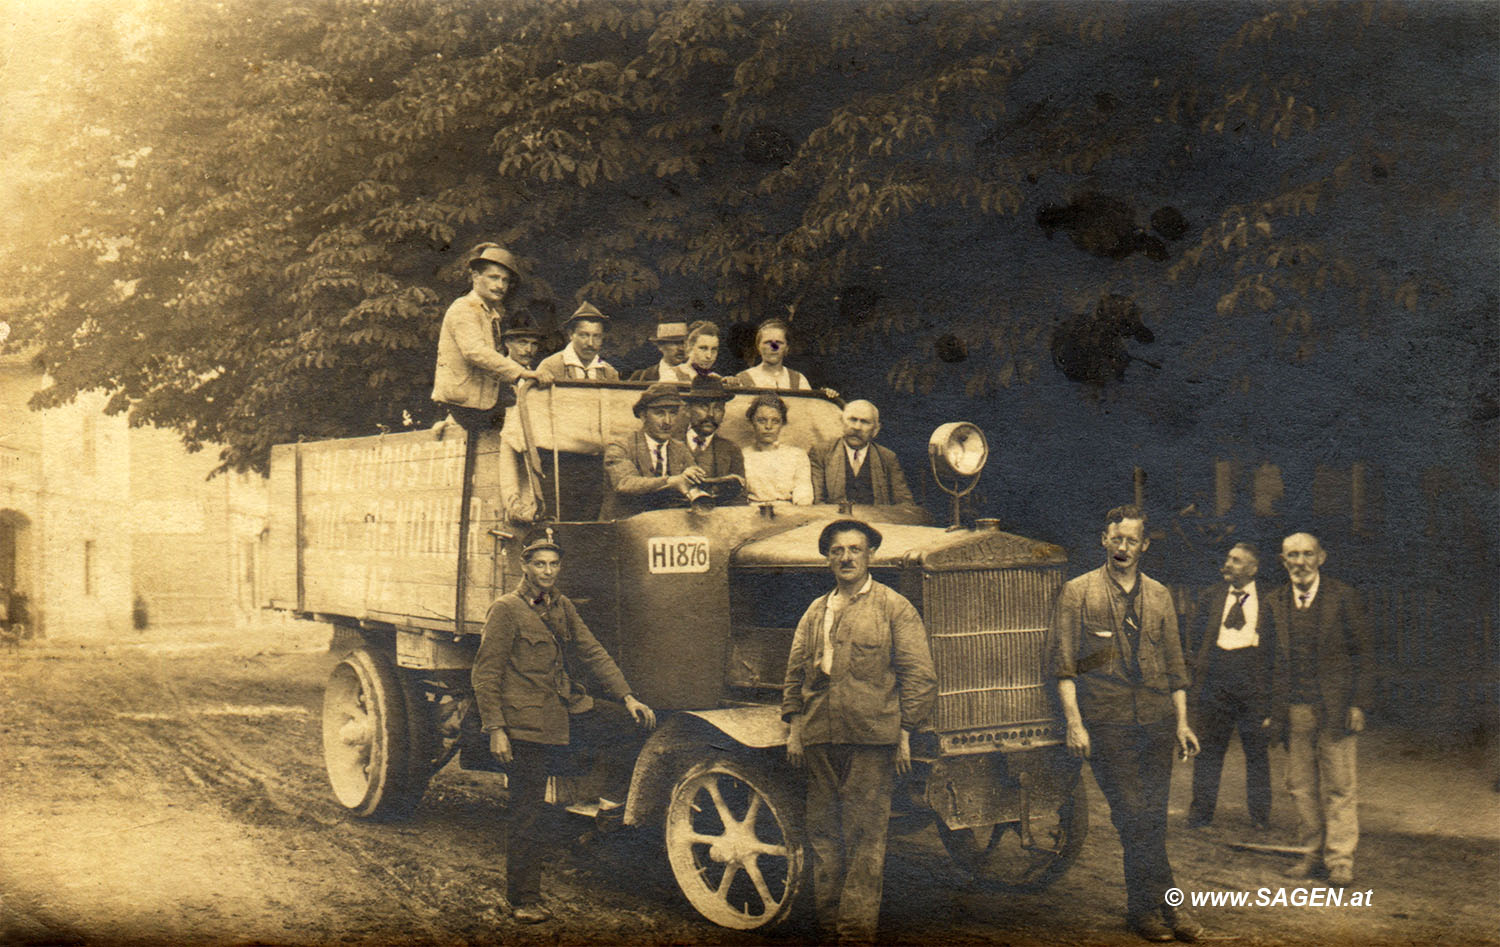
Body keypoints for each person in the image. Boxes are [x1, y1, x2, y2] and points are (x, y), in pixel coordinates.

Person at [470, 527, 657, 924]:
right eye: (540, 564)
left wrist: (627, 696)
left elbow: (593, 651)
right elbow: (485, 674)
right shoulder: (506, 609)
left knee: (630, 725)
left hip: (564, 708)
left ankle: (607, 813)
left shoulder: (562, 605)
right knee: (528, 812)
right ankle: (523, 899)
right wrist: (496, 729)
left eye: (554, 564)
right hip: (525, 725)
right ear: (524, 565)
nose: (547, 571)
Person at [1047, 505, 1202, 943]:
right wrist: (1075, 725)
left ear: (1144, 545)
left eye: (1131, 540)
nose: (1123, 548)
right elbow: (1064, 667)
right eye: (1116, 539)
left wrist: (1183, 723)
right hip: (1107, 722)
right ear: (1104, 540)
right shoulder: (1077, 593)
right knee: (1133, 814)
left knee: (1151, 817)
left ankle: (1151, 910)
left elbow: (1176, 667)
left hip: (1155, 720)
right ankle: (1164, 908)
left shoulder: (1160, 596)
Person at [782, 519, 937, 944]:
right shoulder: (816, 610)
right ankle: (829, 925)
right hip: (819, 737)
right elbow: (796, 674)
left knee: (865, 839)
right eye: (838, 550)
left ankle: (854, 934)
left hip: (872, 738)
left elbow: (918, 675)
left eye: (855, 549)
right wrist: (795, 729)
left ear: (870, 556)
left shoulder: (893, 607)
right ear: (827, 558)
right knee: (825, 836)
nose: (847, 557)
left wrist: (906, 731)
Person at [1267, 532, 1372, 887]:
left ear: (1321, 557)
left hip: (1336, 709)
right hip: (1293, 710)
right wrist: (1270, 711)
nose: (1300, 562)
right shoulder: (1274, 602)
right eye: (1292, 555)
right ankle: (1310, 855)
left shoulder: (1344, 598)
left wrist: (1358, 703)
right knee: (1300, 787)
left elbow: (1365, 655)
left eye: (1307, 554)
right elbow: (1265, 662)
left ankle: (1340, 861)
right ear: (1283, 562)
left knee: (1340, 786)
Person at [1187, 542, 1274, 832]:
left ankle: (1260, 817)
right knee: (1209, 750)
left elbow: (1276, 648)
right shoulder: (1211, 597)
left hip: (1253, 683)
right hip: (1217, 681)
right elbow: (1195, 639)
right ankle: (1200, 816)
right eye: (1228, 559)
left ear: (1253, 568)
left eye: (1236, 561)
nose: (1228, 564)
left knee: (1257, 752)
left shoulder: (1270, 600)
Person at [431, 243, 548, 432]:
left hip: (482, 402)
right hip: (466, 404)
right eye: (493, 277)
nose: (500, 285)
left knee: (534, 416)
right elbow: (475, 352)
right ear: (476, 276)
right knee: (524, 426)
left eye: (505, 280)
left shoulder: (490, 314)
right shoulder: (464, 308)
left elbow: (492, 364)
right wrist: (520, 372)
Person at [600, 383, 704, 519]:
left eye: (673, 413)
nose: (668, 421)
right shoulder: (620, 447)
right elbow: (625, 483)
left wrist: (695, 477)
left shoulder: (680, 449)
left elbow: (692, 483)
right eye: (659, 413)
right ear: (643, 416)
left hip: (665, 528)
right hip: (623, 529)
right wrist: (670, 481)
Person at [808, 400, 914, 506]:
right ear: (841, 422)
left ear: (876, 429)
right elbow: (817, 501)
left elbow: (905, 503)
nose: (857, 427)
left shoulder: (887, 458)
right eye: (852, 420)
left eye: (865, 422)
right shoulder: (821, 453)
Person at [732, 318, 839, 398]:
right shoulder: (743, 379)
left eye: (779, 342)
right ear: (758, 347)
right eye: (767, 342)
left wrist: (827, 395)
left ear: (787, 348)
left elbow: (807, 412)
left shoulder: (798, 379)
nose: (774, 347)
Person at [680, 375, 747, 500]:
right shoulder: (669, 443)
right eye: (704, 406)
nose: (711, 414)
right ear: (687, 410)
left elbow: (739, 498)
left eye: (718, 408)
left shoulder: (731, 450)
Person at [742, 393, 814, 505]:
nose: (768, 427)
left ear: (782, 423)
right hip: (751, 513)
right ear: (752, 422)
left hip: (789, 513)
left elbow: (803, 493)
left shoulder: (797, 455)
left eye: (775, 421)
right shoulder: (742, 455)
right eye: (761, 420)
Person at [536, 302, 619, 381]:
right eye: (584, 335)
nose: (590, 343)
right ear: (571, 334)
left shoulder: (609, 373)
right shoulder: (550, 367)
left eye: (596, 336)